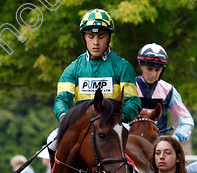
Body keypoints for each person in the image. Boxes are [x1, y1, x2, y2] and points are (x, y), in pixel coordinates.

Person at [49, 9, 140, 153]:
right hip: (82, 126)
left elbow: (133, 102)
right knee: (51, 140)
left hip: (113, 124)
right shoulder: (73, 69)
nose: (96, 42)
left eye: (101, 36)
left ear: (109, 37)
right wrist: (64, 117)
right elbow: (61, 99)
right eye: (90, 36)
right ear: (84, 37)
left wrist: (117, 117)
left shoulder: (123, 67)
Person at [135, 44, 195, 142]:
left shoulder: (169, 90)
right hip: (131, 144)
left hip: (158, 145)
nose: (153, 74)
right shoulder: (129, 88)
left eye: (157, 70)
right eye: (149, 69)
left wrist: (176, 138)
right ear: (141, 66)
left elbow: (187, 121)